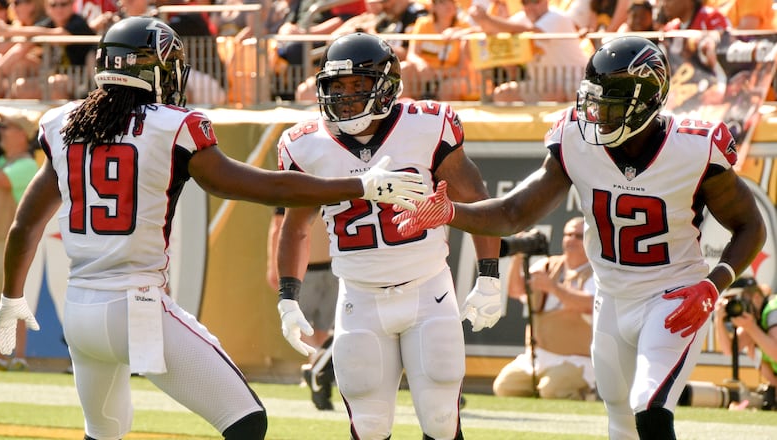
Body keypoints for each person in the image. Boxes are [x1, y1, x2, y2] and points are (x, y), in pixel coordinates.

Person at [0, 16, 427, 440]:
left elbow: (25, 226)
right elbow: (254, 185)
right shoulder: (171, 125)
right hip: (137, 306)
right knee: (246, 420)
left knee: (103, 432)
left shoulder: (65, 124)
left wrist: (11, 298)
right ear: (158, 68)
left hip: (80, 313)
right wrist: (360, 186)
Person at [392, 35, 766, 440]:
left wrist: (715, 284)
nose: (596, 115)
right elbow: (514, 211)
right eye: (593, 101)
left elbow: (751, 226)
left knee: (649, 405)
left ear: (644, 100)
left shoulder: (694, 148)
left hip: (672, 296)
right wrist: (450, 213)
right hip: (610, 298)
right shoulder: (574, 138)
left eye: (609, 105)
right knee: (620, 423)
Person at [275, 31, 501, 440]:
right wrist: (288, 297)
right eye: (336, 86)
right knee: (369, 424)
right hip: (359, 296)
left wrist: (488, 276)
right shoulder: (304, 145)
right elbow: (296, 226)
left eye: (358, 85)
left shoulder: (427, 126)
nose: (344, 96)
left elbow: (477, 201)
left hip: (427, 289)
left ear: (385, 87)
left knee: (440, 419)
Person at [493, 217, 596, 400]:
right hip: (537, 356)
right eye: (568, 234)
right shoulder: (548, 266)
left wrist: (554, 288)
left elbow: (590, 305)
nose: (571, 240)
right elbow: (516, 291)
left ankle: (585, 393)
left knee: (552, 390)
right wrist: (518, 256)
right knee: (505, 387)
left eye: (578, 236)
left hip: (578, 359)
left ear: (591, 240)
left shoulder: (596, 273)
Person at [265, 206, 338, 410]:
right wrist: (274, 267)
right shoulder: (300, 185)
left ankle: (316, 368)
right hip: (317, 266)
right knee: (311, 327)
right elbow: (278, 228)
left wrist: (274, 267)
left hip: (322, 266)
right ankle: (318, 370)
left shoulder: (322, 181)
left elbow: (277, 229)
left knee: (318, 327)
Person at [0, 111, 39, 372]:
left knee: (11, 301)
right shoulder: (3, 161)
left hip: (9, 242)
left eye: (6, 127)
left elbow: (2, 181)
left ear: (21, 134)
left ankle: (18, 356)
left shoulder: (26, 164)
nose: (1, 132)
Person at [467, 0, 589, 104]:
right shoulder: (522, 18)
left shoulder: (557, 17)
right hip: (540, 84)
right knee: (502, 94)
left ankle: (552, 130)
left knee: (553, 92)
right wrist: (480, 19)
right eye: (525, 2)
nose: (530, 7)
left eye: (535, 1)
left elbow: (531, 31)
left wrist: (487, 19)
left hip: (576, 83)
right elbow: (497, 29)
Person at [714, 277, 777, 395]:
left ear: (756, 298)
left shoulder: (773, 308)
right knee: (751, 349)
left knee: (754, 342)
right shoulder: (754, 318)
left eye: (740, 300)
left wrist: (751, 327)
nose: (738, 306)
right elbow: (729, 350)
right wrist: (719, 320)